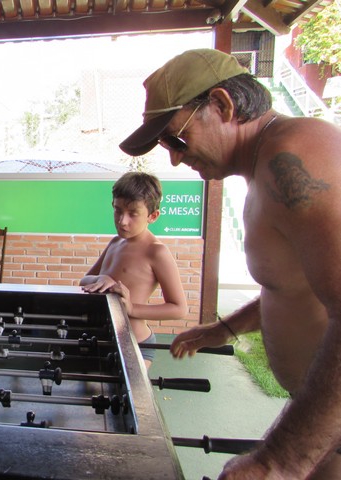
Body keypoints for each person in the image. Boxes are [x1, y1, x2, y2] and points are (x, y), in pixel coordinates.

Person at [119, 48, 341, 479]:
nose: (175, 158)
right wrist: (222, 329)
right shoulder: (265, 168)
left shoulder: (297, 156)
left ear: (222, 105)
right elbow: (300, 287)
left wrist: (279, 461)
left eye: (175, 139)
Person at [79, 172, 187, 369]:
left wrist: (131, 308)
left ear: (152, 216)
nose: (122, 221)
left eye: (132, 213)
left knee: (130, 398)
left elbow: (179, 308)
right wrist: (102, 278)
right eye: (117, 210)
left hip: (136, 343)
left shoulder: (157, 251)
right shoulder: (115, 242)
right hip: (103, 339)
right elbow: (84, 280)